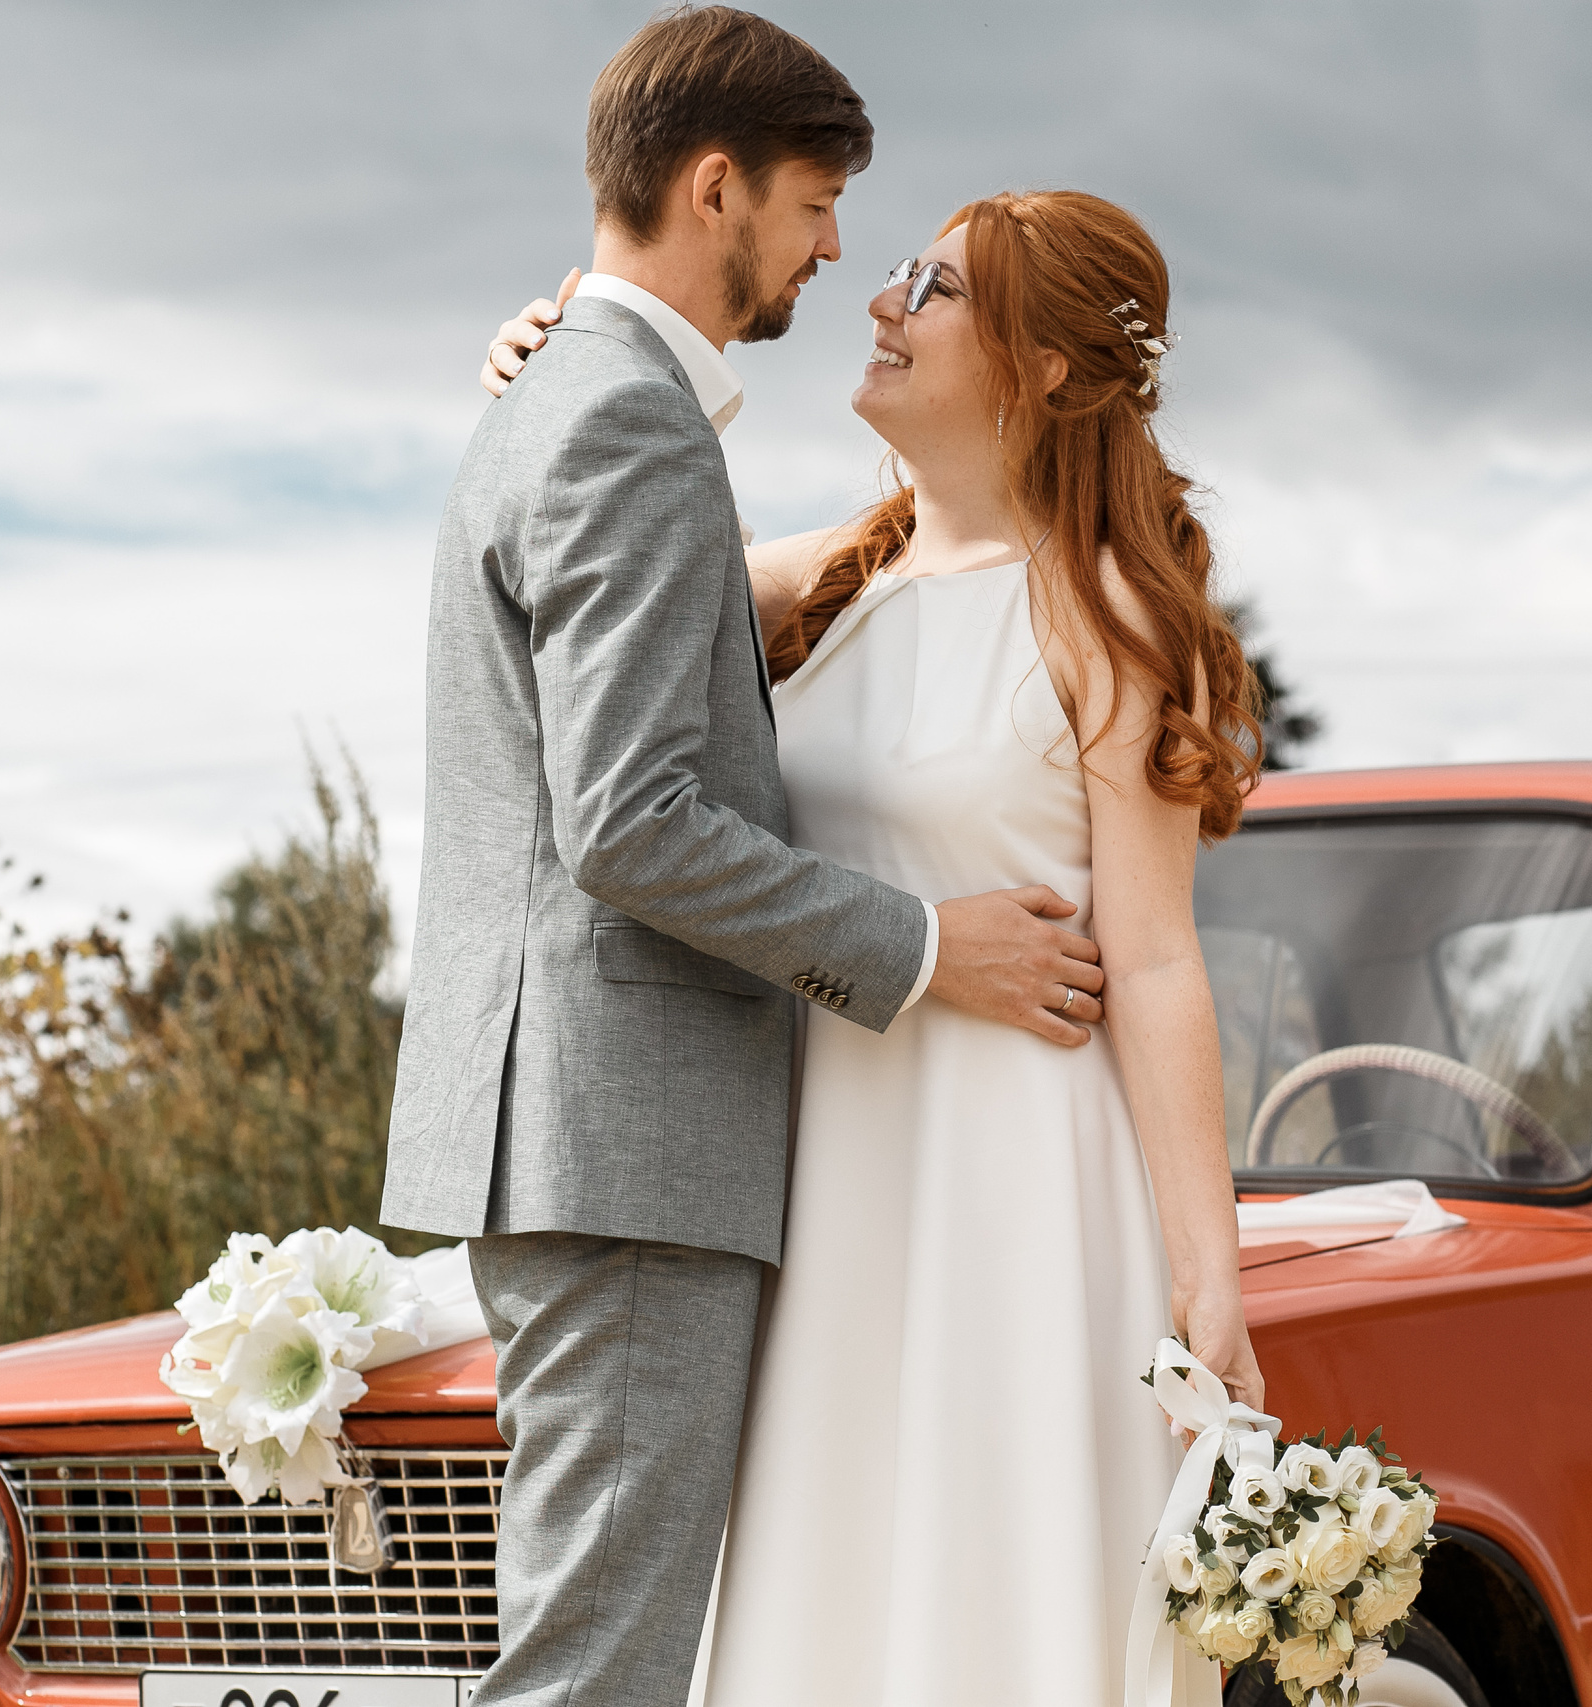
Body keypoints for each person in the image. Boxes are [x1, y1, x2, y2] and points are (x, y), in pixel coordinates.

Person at [379, 12, 1118, 1707]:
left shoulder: (579, 392)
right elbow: (631, 822)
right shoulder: (624, 416)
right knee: (597, 1675)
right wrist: (932, 950)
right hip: (626, 1135)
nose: (838, 248)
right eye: (813, 203)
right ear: (716, 188)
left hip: (586, 1130)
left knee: (603, 1651)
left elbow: (753, 611)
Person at [479, 189, 1269, 1707]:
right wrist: (544, 361)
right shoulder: (825, 581)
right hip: (825, 1172)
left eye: (938, 288)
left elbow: (1158, 962)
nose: (882, 301)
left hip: (1019, 1180)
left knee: (997, 1578)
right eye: (897, 271)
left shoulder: (1105, 615)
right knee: (830, 1586)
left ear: (1042, 368)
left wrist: (1208, 1270)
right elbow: (591, 534)